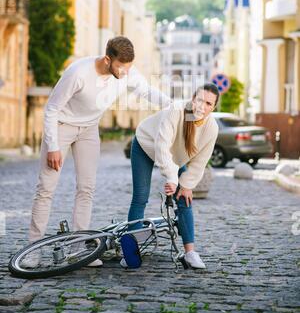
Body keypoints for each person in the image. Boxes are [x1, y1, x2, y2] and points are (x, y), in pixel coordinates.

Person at [24, 36, 171, 268]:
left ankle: (78, 247)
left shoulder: (127, 73)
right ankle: (32, 249)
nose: (125, 73)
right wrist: (53, 146)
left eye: (128, 68)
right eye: (121, 67)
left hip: (89, 130)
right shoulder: (78, 72)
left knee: (87, 188)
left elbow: (148, 92)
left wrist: (176, 107)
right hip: (62, 127)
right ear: (107, 59)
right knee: (46, 189)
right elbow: (51, 109)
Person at [124, 82, 219, 269]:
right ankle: (132, 251)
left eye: (208, 103)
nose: (202, 106)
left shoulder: (211, 128)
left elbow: (200, 163)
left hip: (174, 156)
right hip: (146, 144)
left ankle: (190, 253)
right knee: (141, 197)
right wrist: (171, 178)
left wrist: (186, 185)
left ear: (213, 107)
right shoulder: (176, 110)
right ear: (193, 99)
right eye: (200, 100)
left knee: (185, 197)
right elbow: (162, 146)